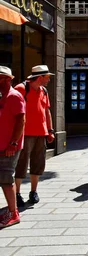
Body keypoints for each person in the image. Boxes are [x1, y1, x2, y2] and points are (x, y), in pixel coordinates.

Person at [14, 65, 55, 207]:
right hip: (25, 133)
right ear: (40, 77)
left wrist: (50, 130)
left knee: (38, 164)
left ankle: (33, 191)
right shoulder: (21, 89)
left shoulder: (44, 91)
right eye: (47, 77)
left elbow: (46, 111)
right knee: (21, 164)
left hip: (41, 133)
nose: (49, 80)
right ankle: (17, 193)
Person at [0, 67, 25, 227]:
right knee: (3, 178)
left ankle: (14, 213)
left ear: (7, 79)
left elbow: (21, 121)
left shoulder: (14, 96)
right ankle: (10, 210)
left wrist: (13, 143)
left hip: (9, 146)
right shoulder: (2, 97)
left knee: (6, 178)